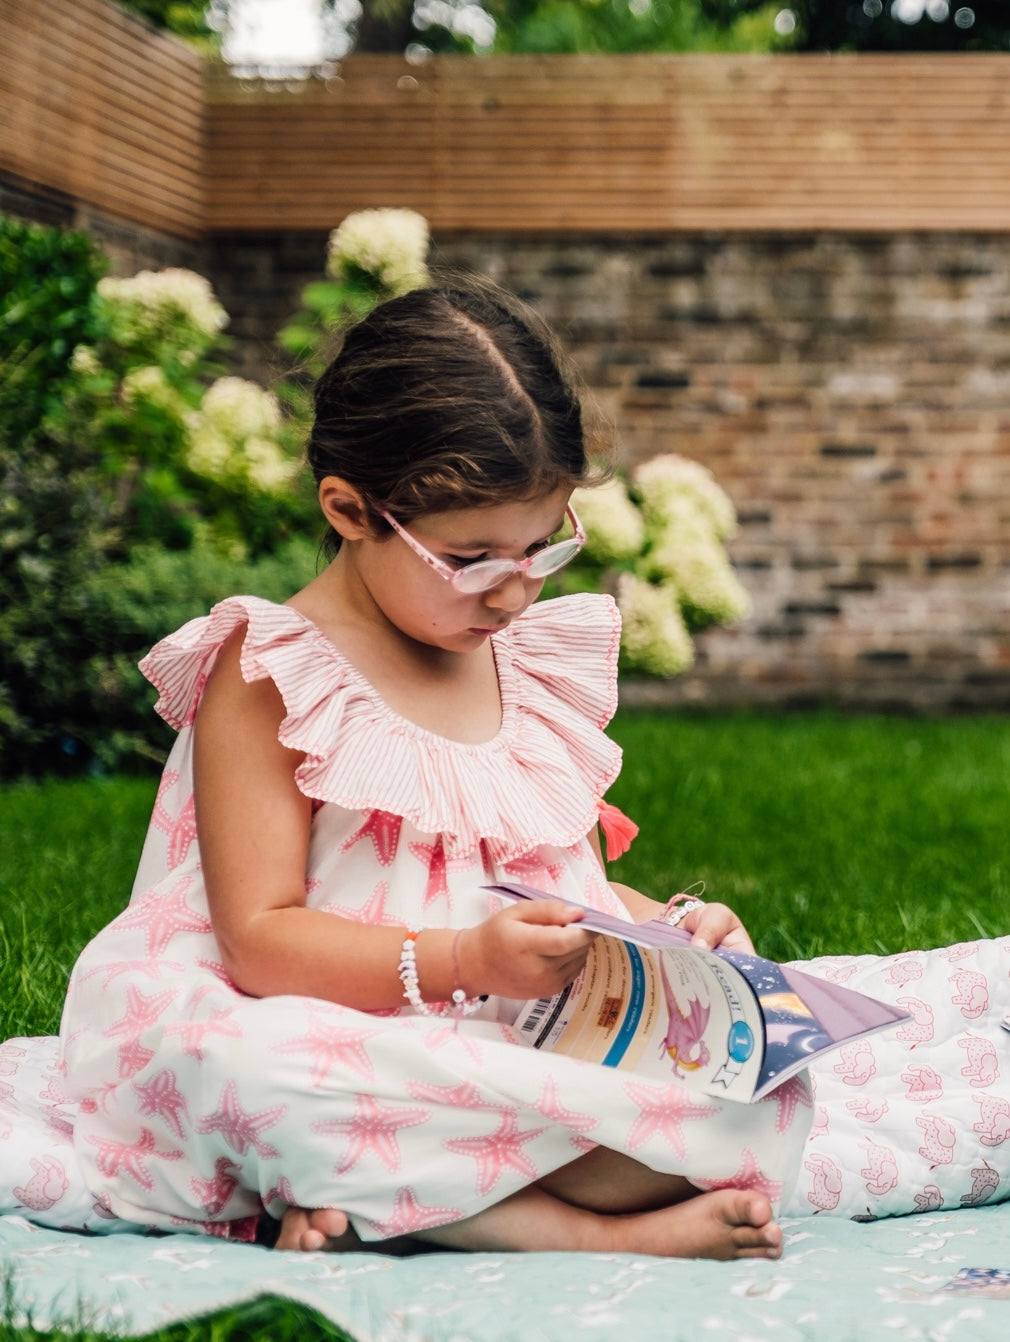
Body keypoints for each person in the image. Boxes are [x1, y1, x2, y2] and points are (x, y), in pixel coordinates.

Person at [58, 280, 812, 1262]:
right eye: (473, 557)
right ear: (351, 509)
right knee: (251, 1074)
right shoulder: (274, 670)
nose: (512, 591)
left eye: (542, 548)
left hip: (513, 1039)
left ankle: (370, 1197)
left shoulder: (524, 663)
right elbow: (257, 941)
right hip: (338, 1023)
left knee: (768, 1100)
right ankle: (575, 1231)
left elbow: (559, 884)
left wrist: (666, 933)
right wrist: (461, 962)